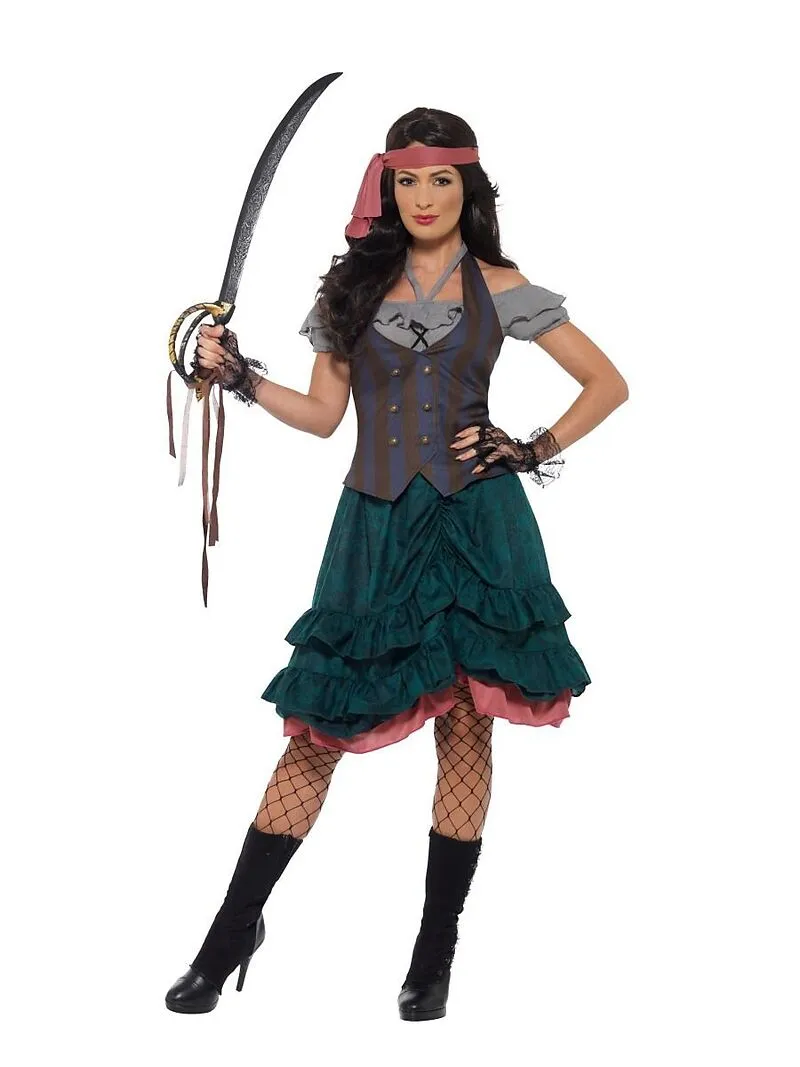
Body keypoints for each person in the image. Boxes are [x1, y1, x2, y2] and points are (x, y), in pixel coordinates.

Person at [164, 106, 629, 1021]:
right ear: (387, 186)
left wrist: (527, 449)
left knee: (467, 728)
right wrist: (241, 377)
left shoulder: (503, 286)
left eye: (440, 179)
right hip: (374, 532)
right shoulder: (351, 290)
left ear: (467, 187)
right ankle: (227, 938)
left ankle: (433, 953)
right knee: (318, 730)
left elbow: (607, 383)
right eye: (406, 179)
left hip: (479, 530)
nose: (423, 197)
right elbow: (323, 417)